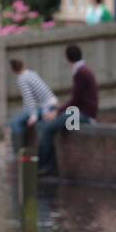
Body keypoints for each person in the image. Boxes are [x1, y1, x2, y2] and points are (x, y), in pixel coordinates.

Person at [38, 44, 98, 177]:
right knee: (53, 126)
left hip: (83, 114)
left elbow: (75, 100)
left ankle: (48, 166)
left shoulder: (80, 72)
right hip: (81, 112)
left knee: (48, 128)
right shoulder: (83, 70)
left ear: (67, 58)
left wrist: (57, 112)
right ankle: (48, 166)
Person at [7, 57, 57, 152]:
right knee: (22, 118)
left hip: (44, 107)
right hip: (51, 103)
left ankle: (19, 153)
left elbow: (29, 98)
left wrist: (33, 116)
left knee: (14, 123)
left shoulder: (22, 79)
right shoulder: (31, 74)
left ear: (13, 70)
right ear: (24, 65)